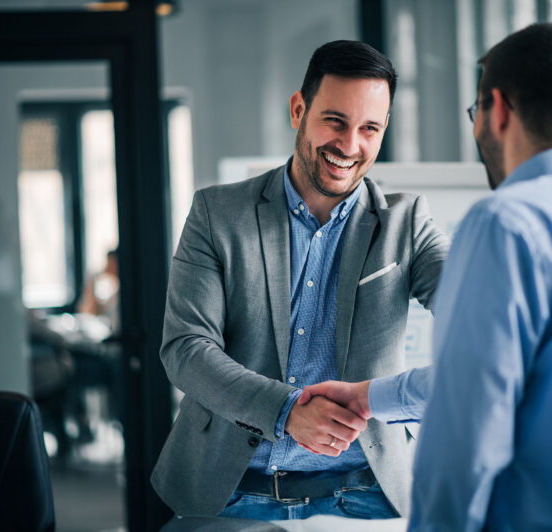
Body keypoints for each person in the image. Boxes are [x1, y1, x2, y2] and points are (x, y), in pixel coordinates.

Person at [299, 23, 552, 529]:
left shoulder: (505, 224)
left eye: (475, 112)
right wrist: (370, 397)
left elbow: (465, 433)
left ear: (497, 110)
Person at [150, 40, 449, 521]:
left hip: (366, 494)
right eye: (335, 121)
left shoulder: (406, 222)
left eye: (368, 128)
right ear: (298, 110)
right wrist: (286, 410)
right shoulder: (217, 213)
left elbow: (478, 309)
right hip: (232, 489)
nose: (349, 146)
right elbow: (186, 348)